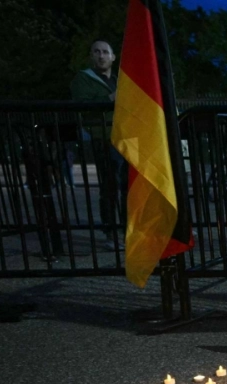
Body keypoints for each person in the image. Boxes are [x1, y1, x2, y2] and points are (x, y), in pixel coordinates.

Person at [71, 39, 125, 252]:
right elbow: (81, 105)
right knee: (110, 186)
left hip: (125, 137)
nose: (101, 55)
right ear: (91, 56)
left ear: (113, 57)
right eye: (96, 52)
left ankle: (128, 230)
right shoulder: (83, 79)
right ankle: (111, 232)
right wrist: (109, 98)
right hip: (103, 137)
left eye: (105, 52)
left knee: (128, 187)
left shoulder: (119, 80)